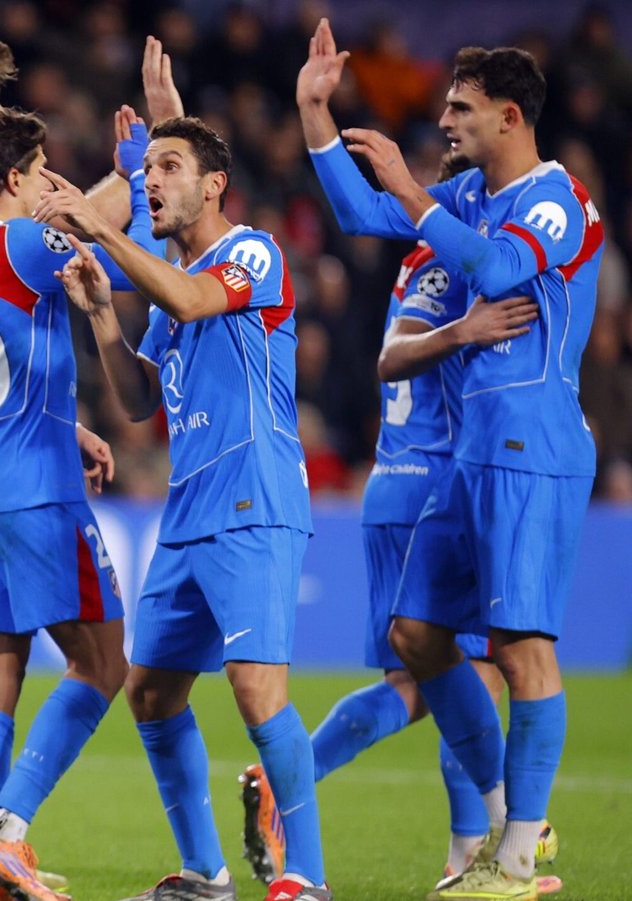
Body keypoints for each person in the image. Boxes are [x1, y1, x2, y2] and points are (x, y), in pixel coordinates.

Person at [297, 19, 602, 900]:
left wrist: (412, 188)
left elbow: (504, 270)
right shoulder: (468, 194)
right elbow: (363, 212)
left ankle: (509, 862)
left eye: (462, 108)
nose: (446, 120)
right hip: (470, 450)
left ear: (511, 116)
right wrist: (316, 115)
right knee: (417, 633)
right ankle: (512, 814)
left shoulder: (557, 198)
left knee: (520, 649)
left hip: (530, 446)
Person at [239, 151, 561, 895]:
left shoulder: (418, 264)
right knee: (473, 675)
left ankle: (439, 842)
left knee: (416, 681)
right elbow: (399, 355)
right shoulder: (449, 269)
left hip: (395, 483)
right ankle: (477, 846)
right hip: (440, 485)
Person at [39, 115, 327, 901]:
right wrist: (101, 311)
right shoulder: (169, 295)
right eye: (149, 167)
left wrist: (104, 226)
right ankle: (205, 874)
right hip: (189, 509)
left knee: (256, 687)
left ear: (214, 186)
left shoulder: (251, 253)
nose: (152, 181)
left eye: (169, 167)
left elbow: (198, 299)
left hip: (254, 497)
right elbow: (136, 404)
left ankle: (306, 876)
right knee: (152, 690)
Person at [0, 107, 149, 901]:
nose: (49, 184)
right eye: (41, 170)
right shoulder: (22, 242)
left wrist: (71, 424)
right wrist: (129, 171)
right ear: (17, 178)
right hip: (29, 489)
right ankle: (4, 828)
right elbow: (96, 228)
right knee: (103, 661)